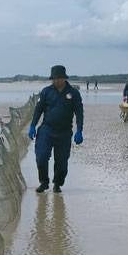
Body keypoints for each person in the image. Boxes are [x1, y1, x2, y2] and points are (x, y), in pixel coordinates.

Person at [29, 65, 84, 193]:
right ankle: (44, 182)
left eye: (59, 78)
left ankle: (57, 184)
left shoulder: (73, 93)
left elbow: (79, 113)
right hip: (46, 130)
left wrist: (79, 130)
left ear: (64, 78)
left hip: (64, 132)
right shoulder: (46, 92)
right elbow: (38, 110)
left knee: (62, 162)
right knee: (41, 157)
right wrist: (32, 125)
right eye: (54, 78)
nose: (57, 81)